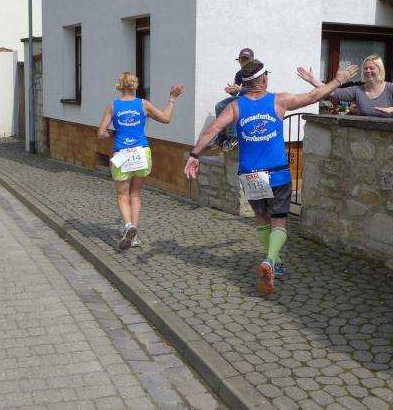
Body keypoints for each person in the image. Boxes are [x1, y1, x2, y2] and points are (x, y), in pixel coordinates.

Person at [185, 59, 358, 294]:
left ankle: (275, 261)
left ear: (245, 83)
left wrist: (194, 154)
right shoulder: (279, 100)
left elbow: (212, 130)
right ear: (264, 79)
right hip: (277, 173)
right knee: (279, 221)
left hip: (250, 174)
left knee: (261, 218)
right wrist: (338, 80)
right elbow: (313, 97)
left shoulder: (235, 107)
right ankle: (270, 260)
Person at [98, 72, 184, 249]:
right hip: (141, 152)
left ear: (120, 86)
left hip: (122, 153)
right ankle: (134, 236)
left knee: (122, 195)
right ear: (135, 85)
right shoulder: (143, 104)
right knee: (135, 194)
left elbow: (101, 134)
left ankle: (128, 226)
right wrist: (172, 99)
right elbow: (166, 118)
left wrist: (113, 133)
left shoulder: (113, 106)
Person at [296, 55, 393, 118]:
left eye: (372, 68)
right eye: (365, 68)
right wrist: (312, 80)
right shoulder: (358, 90)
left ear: (380, 70)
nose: (368, 71)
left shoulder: (392, 88)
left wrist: (391, 109)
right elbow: (332, 91)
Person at [208, 48, 256, 151]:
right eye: (241, 60)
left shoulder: (256, 73)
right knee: (219, 106)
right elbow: (237, 91)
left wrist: (240, 89)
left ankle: (233, 137)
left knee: (234, 104)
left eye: (246, 60)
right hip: (242, 98)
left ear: (252, 61)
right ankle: (221, 137)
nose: (243, 62)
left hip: (254, 100)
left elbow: (257, 91)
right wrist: (231, 90)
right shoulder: (239, 74)